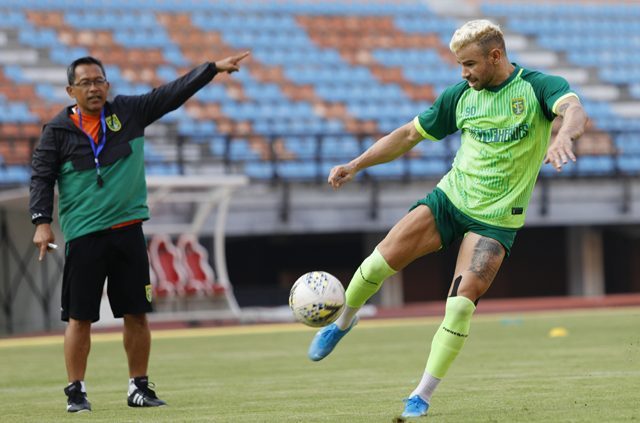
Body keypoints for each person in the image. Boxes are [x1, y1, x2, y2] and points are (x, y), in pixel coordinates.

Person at [307, 19, 587, 419]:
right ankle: (341, 323)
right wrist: (356, 164)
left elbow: (574, 110)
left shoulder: (538, 87)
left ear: (495, 56)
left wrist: (563, 135)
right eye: (460, 65)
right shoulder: (460, 96)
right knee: (377, 263)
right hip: (450, 200)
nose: (464, 73)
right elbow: (408, 135)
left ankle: (420, 395)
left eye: (469, 64)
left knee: (459, 307)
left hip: (495, 220)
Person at [30, 51, 250, 413]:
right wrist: (41, 222)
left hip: (128, 230)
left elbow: (171, 94)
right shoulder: (56, 131)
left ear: (107, 85)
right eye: (85, 83)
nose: (93, 88)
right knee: (80, 317)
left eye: (99, 81)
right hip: (84, 235)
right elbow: (41, 177)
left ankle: (139, 387)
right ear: (71, 91)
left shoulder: (128, 112)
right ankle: (76, 392)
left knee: (136, 313)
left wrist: (210, 69)